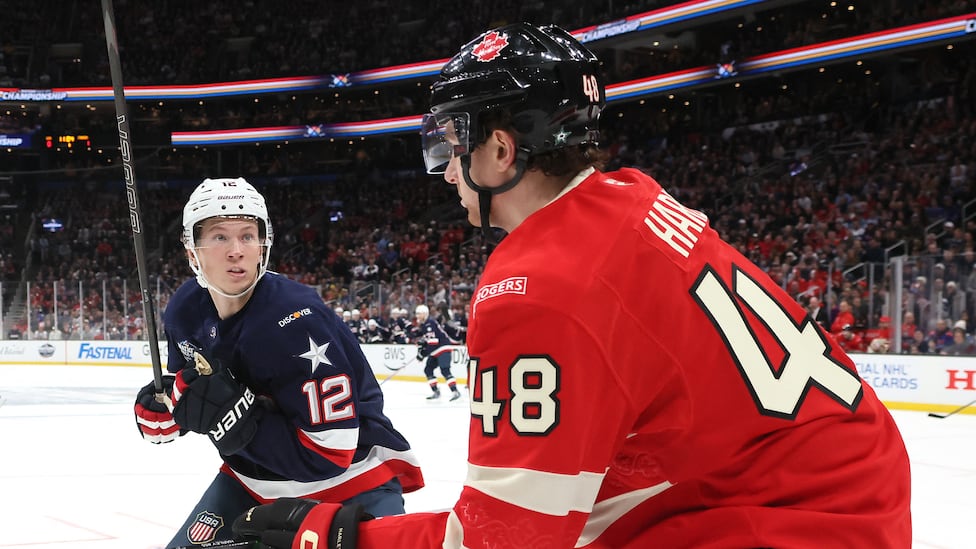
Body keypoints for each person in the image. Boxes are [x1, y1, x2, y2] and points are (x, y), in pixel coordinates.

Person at [232, 23, 911, 548]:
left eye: (448, 146)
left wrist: (337, 533)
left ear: (500, 150)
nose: (441, 170)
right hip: (837, 489)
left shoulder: (538, 284)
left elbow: (503, 540)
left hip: (793, 521)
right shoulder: (631, 195)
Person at [132, 177, 424, 548]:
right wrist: (169, 408)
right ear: (193, 251)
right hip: (251, 484)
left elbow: (330, 453)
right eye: (219, 237)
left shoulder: (296, 320)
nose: (236, 250)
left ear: (262, 245)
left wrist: (233, 418)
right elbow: (188, 384)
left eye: (248, 235)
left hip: (351, 486)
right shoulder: (185, 309)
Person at [411, 303, 461, 401]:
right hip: (436, 350)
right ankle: (436, 391)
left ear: (424, 314)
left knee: (445, 370)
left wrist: (423, 354)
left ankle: (455, 391)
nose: (417, 316)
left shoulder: (430, 323)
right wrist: (422, 346)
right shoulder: (425, 324)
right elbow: (429, 341)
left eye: (418, 314)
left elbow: (433, 343)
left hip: (442, 348)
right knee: (428, 370)